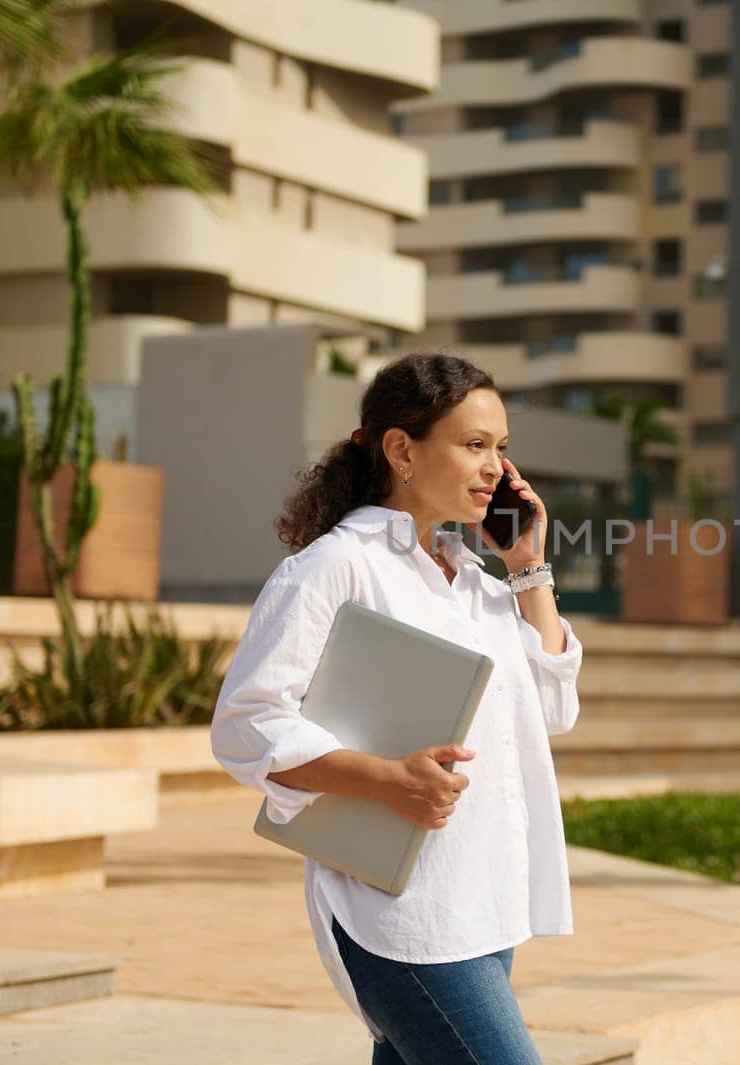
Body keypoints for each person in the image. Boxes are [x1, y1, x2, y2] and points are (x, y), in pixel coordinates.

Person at [209, 353, 582, 1065]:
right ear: (401, 449)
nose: (496, 470)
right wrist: (387, 779)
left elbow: (550, 711)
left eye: (501, 449)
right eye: (475, 445)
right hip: (400, 914)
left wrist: (528, 565)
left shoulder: (476, 582)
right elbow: (245, 722)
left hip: (485, 902)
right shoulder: (336, 566)